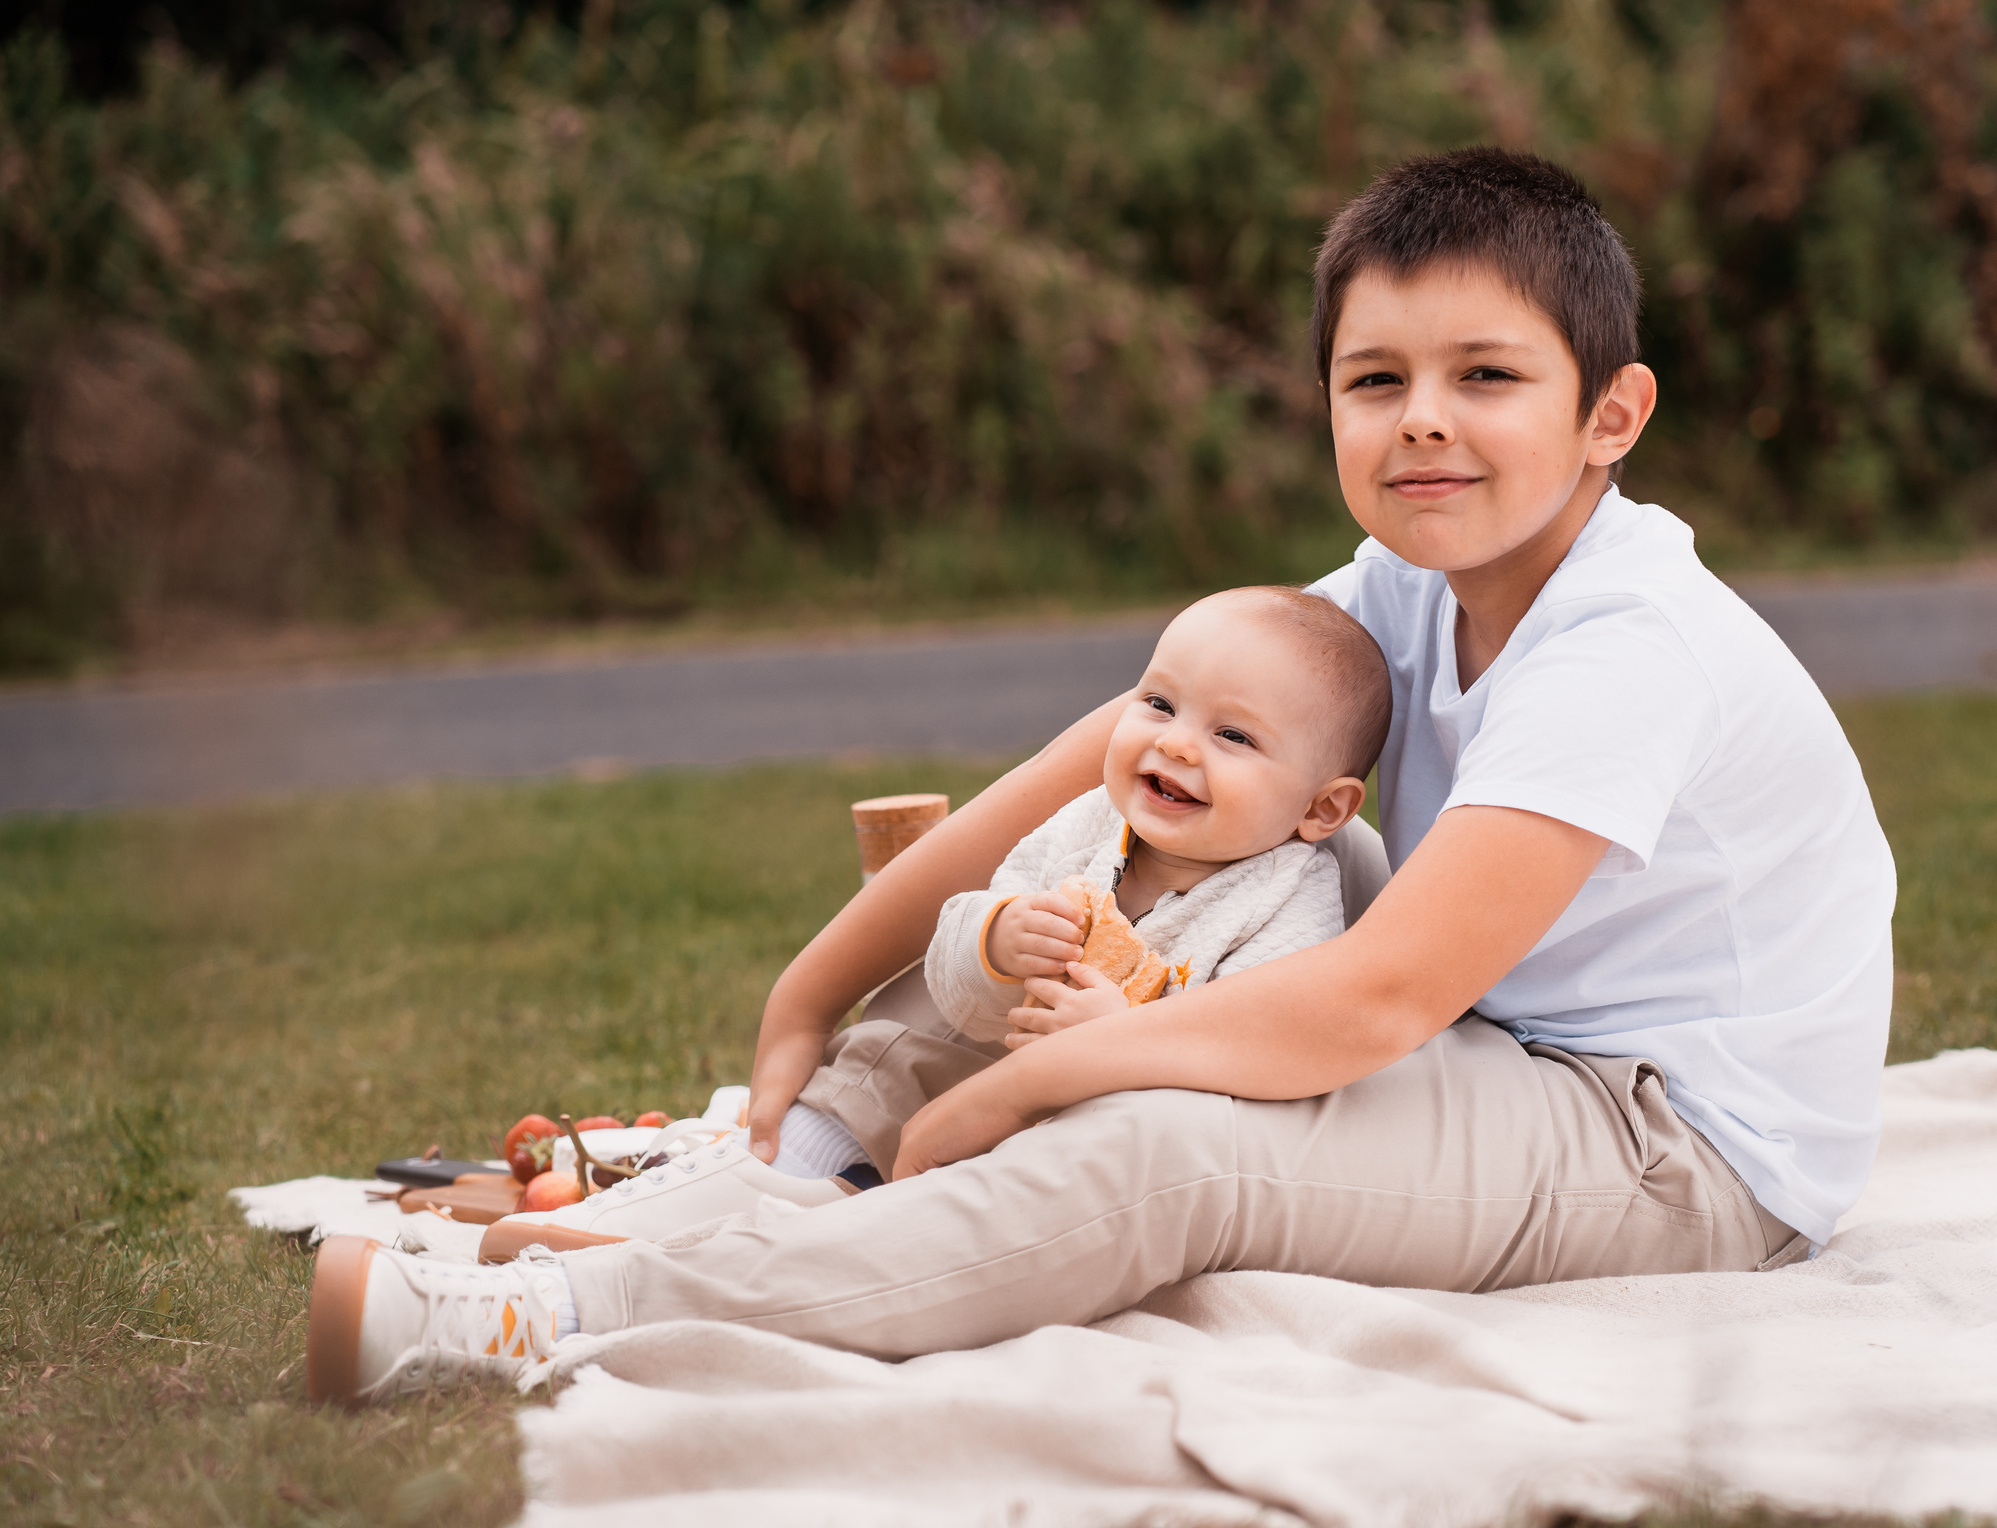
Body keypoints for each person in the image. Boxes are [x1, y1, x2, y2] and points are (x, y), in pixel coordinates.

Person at [301, 146, 1898, 1406]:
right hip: (1497, 1042)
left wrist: (1028, 1086)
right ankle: (782, 1170)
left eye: (1487, 376)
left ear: (1611, 414)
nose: (1424, 423)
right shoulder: (1407, 583)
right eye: (1375, 379)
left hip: (1674, 1142)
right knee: (1072, 892)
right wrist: (809, 994)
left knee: (1160, 1142)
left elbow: (1380, 998)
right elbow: (1091, 764)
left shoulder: (1626, 643)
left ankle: (557, 1309)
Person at [461, 586, 1388, 1268]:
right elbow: (958, 975)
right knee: (885, 1062)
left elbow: (1254, 1051)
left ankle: (784, 1237)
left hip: (1099, 1138)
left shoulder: (1286, 900)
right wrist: (996, 939)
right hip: (974, 1073)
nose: (1176, 742)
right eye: (1158, 703)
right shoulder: (1088, 829)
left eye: (1233, 736)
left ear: (1322, 808)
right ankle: (748, 1180)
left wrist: (1123, 1040)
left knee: (1020, 1189)